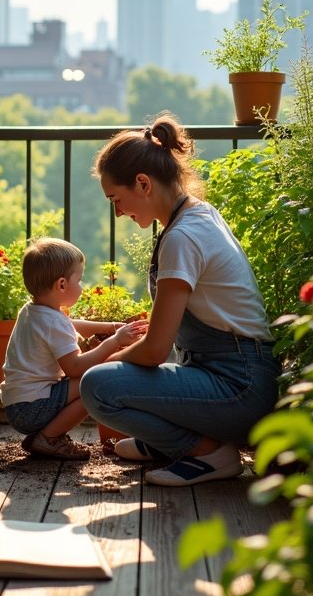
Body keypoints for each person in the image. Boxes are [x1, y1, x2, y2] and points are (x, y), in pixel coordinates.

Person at [79, 113, 281, 487]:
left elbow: (156, 350)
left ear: (143, 183)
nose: (118, 212)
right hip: (237, 377)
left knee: (96, 385)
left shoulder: (182, 238)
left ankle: (207, 453)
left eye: (116, 199)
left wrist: (101, 360)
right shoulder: (198, 215)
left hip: (240, 388)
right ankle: (170, 441)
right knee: (112, 376)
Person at [0, 237, 146, 460]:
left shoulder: (33, 310)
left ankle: (49, 436)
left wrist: (112, 326)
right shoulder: (53, 322)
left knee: (90, 384)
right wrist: (114, 341)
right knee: (94, 385)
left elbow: (69, 324)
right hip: (31, 407)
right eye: (79, 279)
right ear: (61, 284)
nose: (82, 285)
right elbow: (75, 368)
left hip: (19, 404)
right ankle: (48, 439)